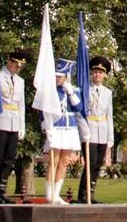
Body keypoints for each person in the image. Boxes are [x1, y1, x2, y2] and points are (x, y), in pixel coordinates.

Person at [0, 49, 28, 204]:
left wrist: (22, 125)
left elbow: (21, 105)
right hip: (0, 121)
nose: (18, 68)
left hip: (14, 122)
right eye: (16, 64)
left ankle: (2, 190)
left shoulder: (20, 81)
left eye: (20, 66)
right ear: (9, 61)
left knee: (9, 159)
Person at [38, 59, 82, 205]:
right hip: (56, 127)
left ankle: (56, 194)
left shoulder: (74, 90)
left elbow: (78, 108)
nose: (57, 79)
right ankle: (49, 194)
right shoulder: (50, 90)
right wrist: (46, 127)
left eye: (60, 76)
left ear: (67, 77)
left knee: (64, 162)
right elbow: (42, 109)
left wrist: (70, 92)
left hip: (70, 129)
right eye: (56, 76)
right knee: (54, 161)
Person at [77, 57, 114, 203]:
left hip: (103, 132)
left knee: (98, 164)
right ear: (92, 73)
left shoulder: (107, 92)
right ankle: (83, 194)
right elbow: (80, 112)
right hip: (90, 131)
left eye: (100, 72)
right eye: (95, 72)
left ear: (105, 75)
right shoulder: (85, 90)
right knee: (90, 163)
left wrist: (110, 137)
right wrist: (83, 132)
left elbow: (109, 115)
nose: (97, 75)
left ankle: (91, 193)